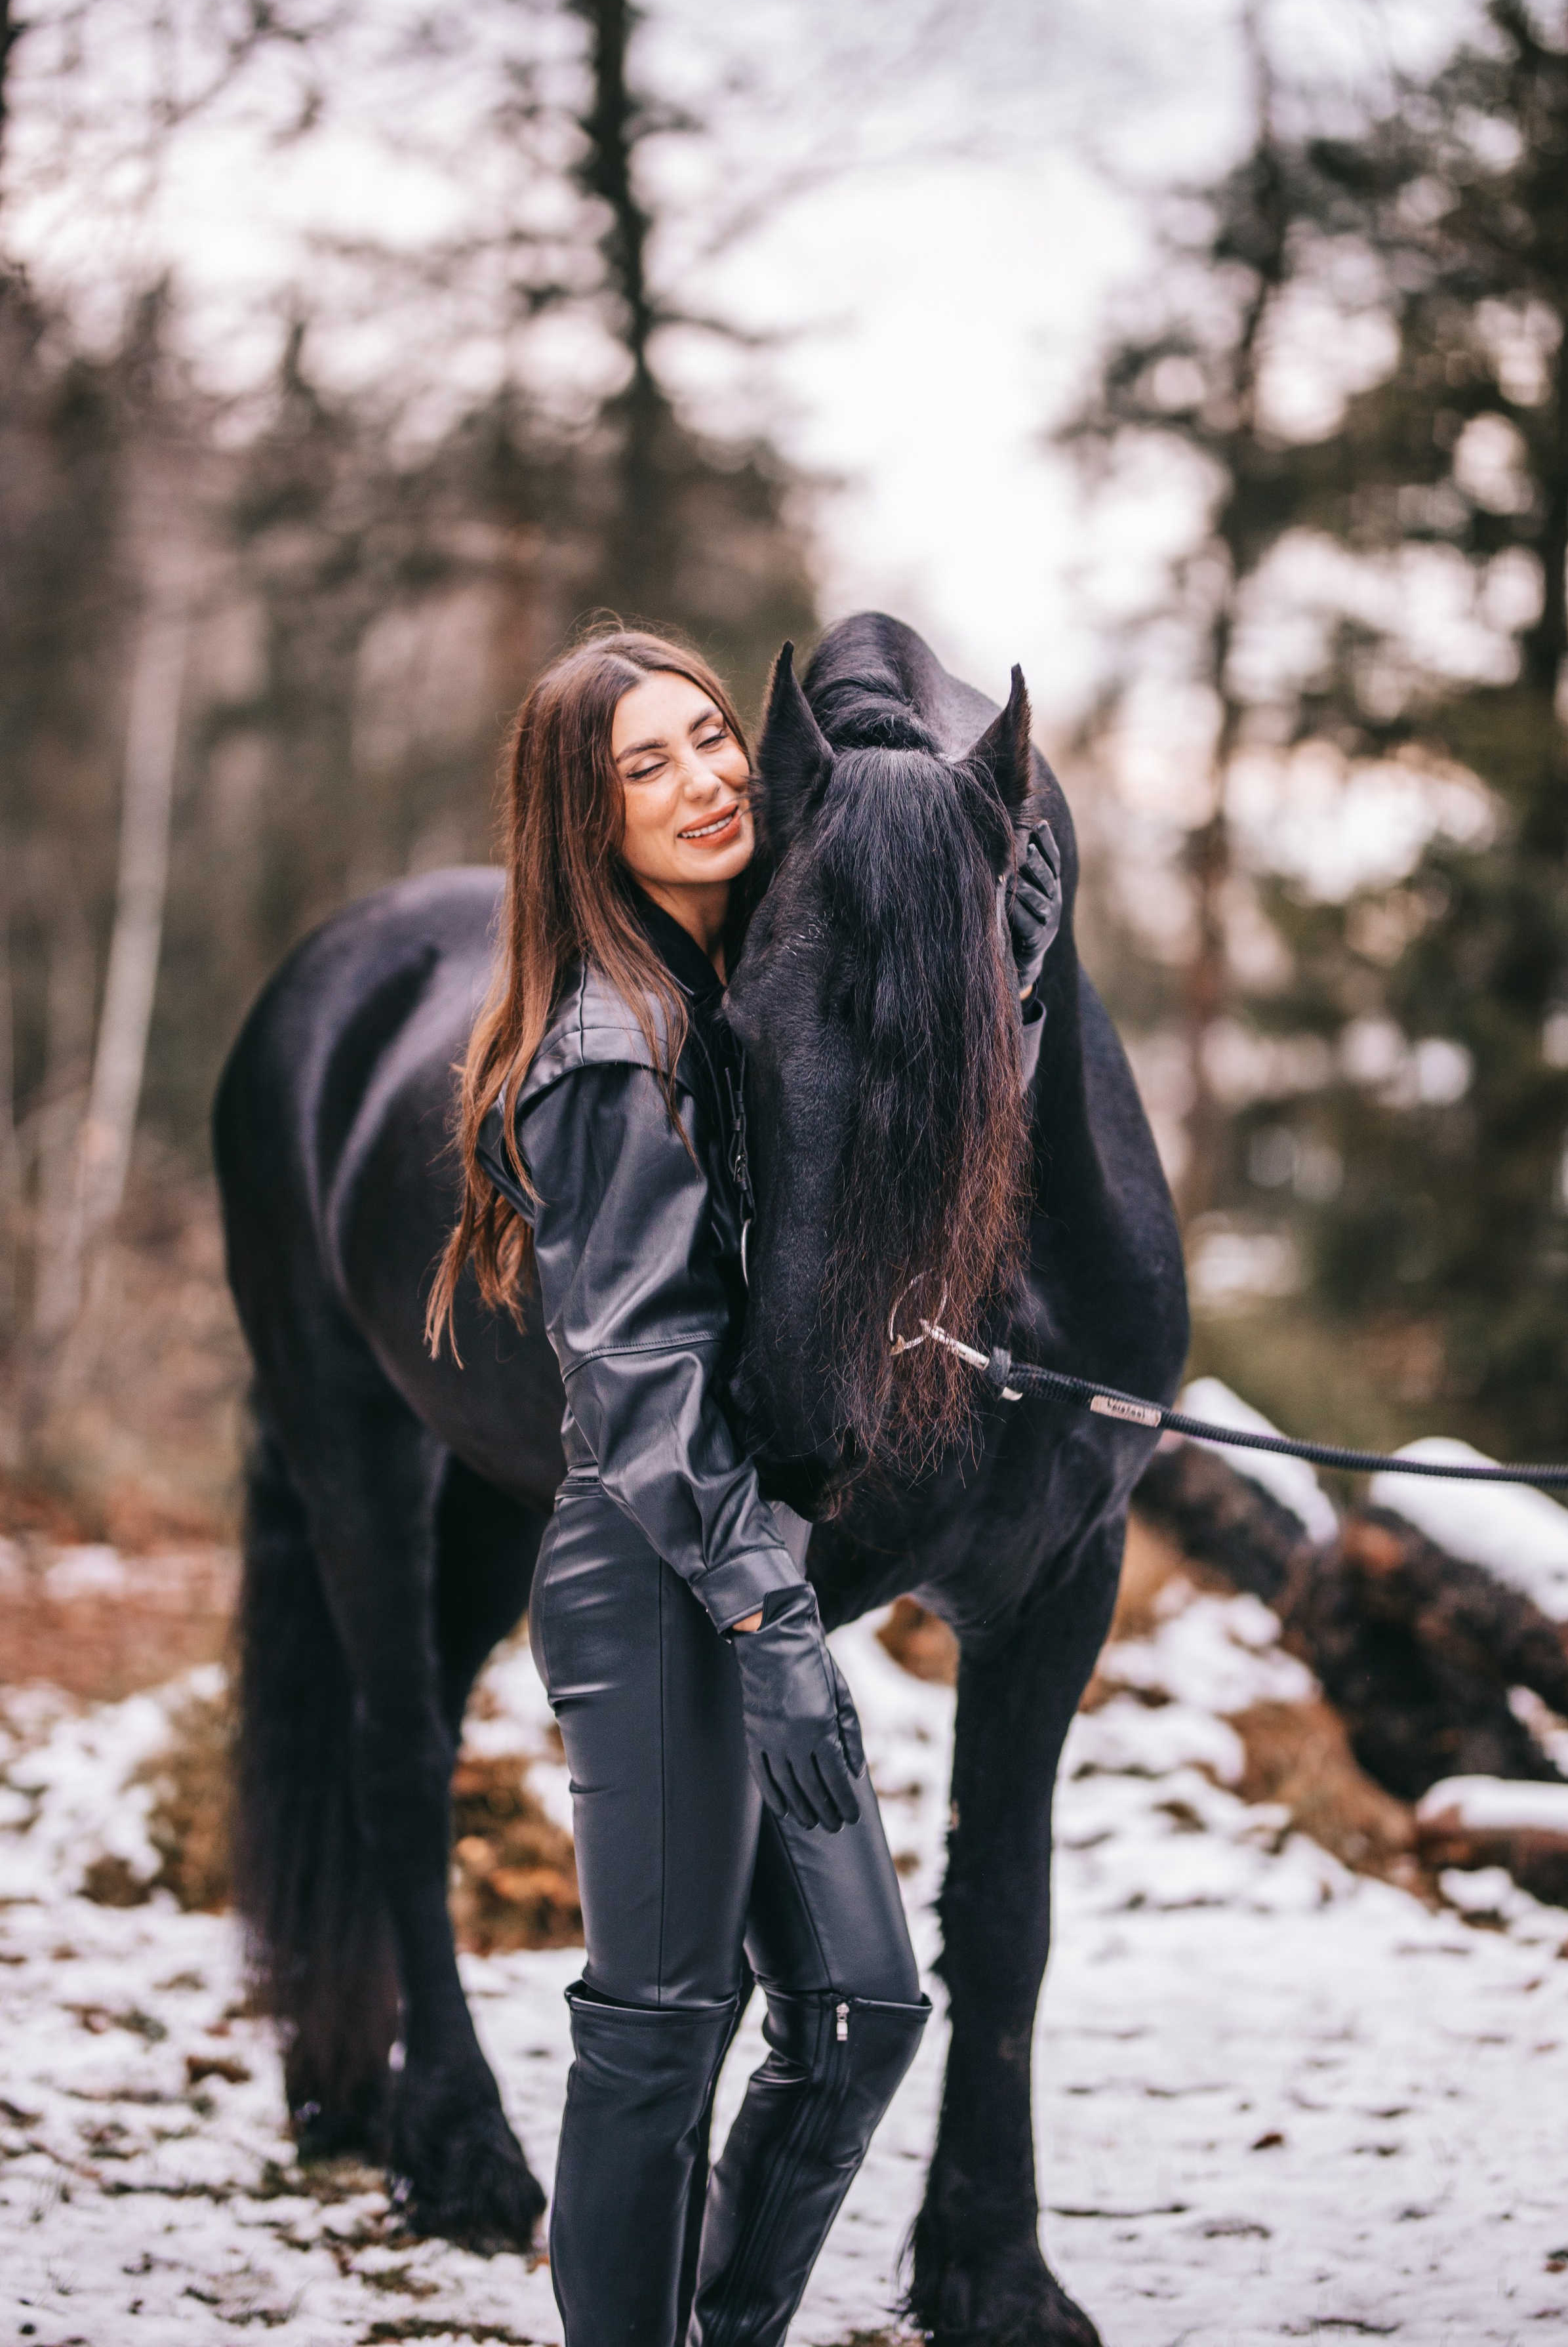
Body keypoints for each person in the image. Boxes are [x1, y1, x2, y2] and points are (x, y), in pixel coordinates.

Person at [426, 625, 1060, 2347]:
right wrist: (775, 1630)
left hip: (741, 1576)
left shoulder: (733, 999)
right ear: (588, 819)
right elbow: (642, 1387)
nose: (706, 781)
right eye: (648, 765)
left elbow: (890, 1124)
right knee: (658, 2035)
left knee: (863, 2009)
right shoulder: (610, 1048)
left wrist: (997, 960)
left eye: (712, 737)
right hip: (658, 1579)